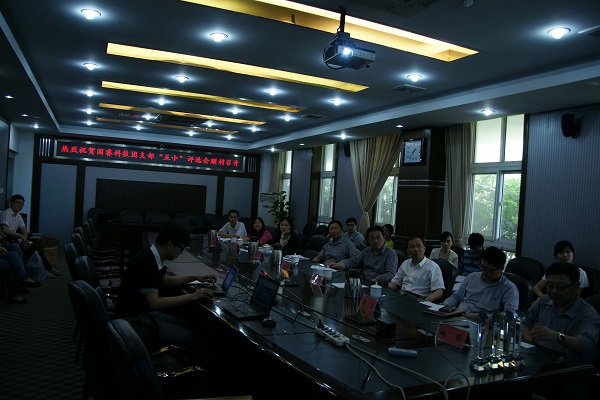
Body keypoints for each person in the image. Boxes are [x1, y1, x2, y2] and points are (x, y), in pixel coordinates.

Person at [116, 222, 216, 350]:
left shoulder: (155, 255)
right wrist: (193, 296)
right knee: (186, 336)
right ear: (169, 245)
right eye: (181, 248)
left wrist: (195, 277)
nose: (180, 252)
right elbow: (155, 303)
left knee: (186, 324)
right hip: (132, 319)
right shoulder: (147, 262)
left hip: (141, 312)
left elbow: (166, 281)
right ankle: (162, 361)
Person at [524, 262, 600, 361]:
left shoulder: (587, 313)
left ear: (576, 287)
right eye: (550, 286)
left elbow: (586, 345)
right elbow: (526, 324)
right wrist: (531, 345)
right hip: (537, 356)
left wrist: (557, 337)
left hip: (567, 364)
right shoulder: (544, 301)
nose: (554, 291)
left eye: (560, 287)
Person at [443, 246, 518, 319]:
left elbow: (509, 314)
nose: (484, 272)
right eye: (482, 267)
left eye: (488, 270)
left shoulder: (509, 288)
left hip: (484, 324)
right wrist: (445, 304)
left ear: (501, 268)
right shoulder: (472, 277)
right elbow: (456, 297)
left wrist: (479, 316)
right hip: (458, 317)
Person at [0, 194, 61, 276]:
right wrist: (21, 236)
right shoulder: (6, 213)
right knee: (31, 249)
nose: (20, 205)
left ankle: (46, 268)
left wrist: (25, 239)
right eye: (17, 203)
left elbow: (24, 229)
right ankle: (42, 270)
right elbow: (5, 230)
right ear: (11, 203)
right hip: (6, 239)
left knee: (35, 247)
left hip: (14, 238)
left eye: (22, 204)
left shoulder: (18, 215)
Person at [331, 225, 398, 285]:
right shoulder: (367, 250)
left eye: (378, 237)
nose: (375, 241)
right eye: (372, 238)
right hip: (363, 281)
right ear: (368, 241)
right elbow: (354, 261)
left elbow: (390, 274)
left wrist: (376, 280)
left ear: (384, 238)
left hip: (378, 285)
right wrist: (339, 264)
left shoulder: (391, 253)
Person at [388, 236, 445, 302]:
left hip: (420, 299)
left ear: (424, 249)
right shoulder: (405, 263)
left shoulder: (433, 267)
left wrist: (427, 301)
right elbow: (394, 282)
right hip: (402, 296)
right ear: (408, 250)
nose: (415, 249)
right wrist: (389, 291)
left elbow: (439, 291)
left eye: (419, 246)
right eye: (412, 247)